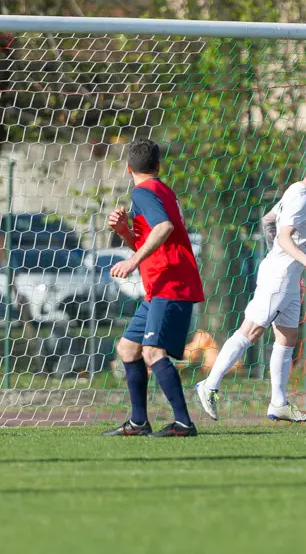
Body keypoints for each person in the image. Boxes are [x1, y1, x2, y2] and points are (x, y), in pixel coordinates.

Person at [195, 147, 306, 423]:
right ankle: (209, 385)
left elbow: (269, 220)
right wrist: (302, 258)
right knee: (251, 331)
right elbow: (285, 236)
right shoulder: (302, 198)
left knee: (287, 337)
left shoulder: (296, 191)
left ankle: (278, 403)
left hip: (288, 276)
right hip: (280, 277)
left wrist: (278, 253)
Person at [102, 139, 205, 437]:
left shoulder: (143, 192)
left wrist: (132, 261)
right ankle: (138, 422)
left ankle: (183, 423)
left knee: (152, 352)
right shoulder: (163, 190)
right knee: (128, 348)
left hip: (171, 283)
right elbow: (151, 239)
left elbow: (164, 228)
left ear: (128, 168)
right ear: (158, 166)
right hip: (160, 285)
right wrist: (124, 231)